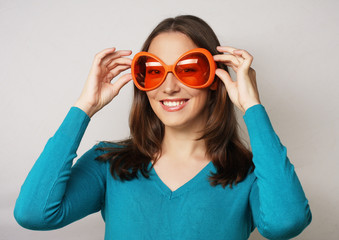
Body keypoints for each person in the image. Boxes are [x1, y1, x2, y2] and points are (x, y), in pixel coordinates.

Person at [14, 15, 312, 239]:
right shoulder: (109, 163)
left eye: (189, 70)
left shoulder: (247, 173)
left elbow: (286, 223)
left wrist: (252, 108)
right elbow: (34, 213)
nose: (168, 87)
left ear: (215, 80)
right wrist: (84, 107)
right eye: (154, 71)